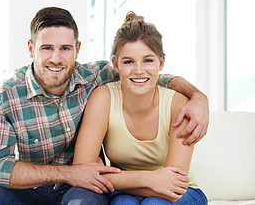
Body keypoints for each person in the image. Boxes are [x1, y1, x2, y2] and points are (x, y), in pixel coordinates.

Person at [0, 7, 209, 205]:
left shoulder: (94, 77)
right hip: (36, 188)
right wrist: (70, 173)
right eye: (46, 48)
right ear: (31, 49)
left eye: (65, 48)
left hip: (80, 189)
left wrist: (198, 96)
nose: (56, 58)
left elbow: (143, 76)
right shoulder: (5, 97)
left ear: (77, 49)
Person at [72, 11, 208, 204]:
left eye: (148, 60)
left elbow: (172, 186)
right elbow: (82, 171)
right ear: (116, 65)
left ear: (161, 62)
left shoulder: (178, 104)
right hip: (126, 192)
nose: (138, 70)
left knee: (154, 203)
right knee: (123, 203)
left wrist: (115, 179)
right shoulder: (104, 98)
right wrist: (150, 178)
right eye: (128, 61)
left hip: (183, 193)